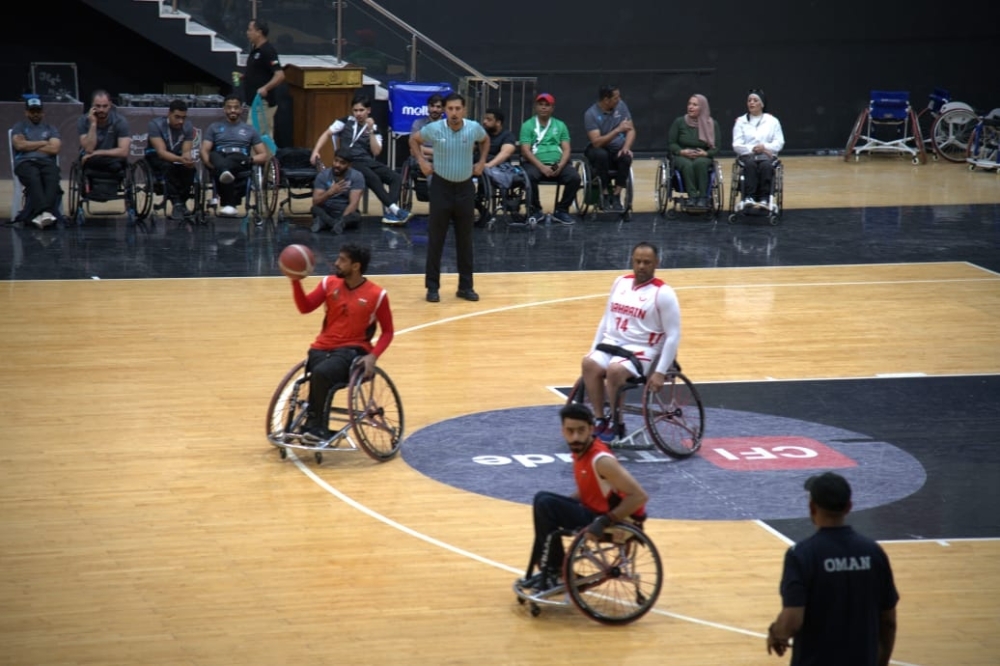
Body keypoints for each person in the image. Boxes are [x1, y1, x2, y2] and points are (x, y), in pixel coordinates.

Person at [767, 472, 899, 666]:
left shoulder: (802, 555)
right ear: (849, 507)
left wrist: (776, 633)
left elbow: (792, 620)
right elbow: (888, 621)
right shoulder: (873, 553)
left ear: (812, 507)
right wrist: (883, 660)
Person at [518, 402, 649, 592]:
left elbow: (639, 496)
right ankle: (554, 569)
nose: (576, 437)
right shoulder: (581, 452)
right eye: (570, 431)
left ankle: (557, 571)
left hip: (617, 522)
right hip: (595, 513)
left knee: (545, 503)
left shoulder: (601, 460)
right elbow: (590, 489)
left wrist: (605, 520)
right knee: (544, 501)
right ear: (563, 431)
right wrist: (564, 505)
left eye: (581, 431)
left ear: (591, 429)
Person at [286, 243, 394, 443]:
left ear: (356, 266)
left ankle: (316, 427)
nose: (336, 263)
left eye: (342, 260)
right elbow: (305, 307)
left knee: (322, 374)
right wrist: (295, 282)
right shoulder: (329, 283)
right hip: (321, 348)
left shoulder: (377, 295)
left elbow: (388, 332)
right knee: (318, 372)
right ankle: (312, 426)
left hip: (352, 351)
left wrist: (373, 356)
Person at [582, 241, 681, 441]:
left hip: (643, 350)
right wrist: (593, 350)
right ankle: (600, 418)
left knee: (615, 370)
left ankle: (617, 422)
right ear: (632, 261)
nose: (641, 266)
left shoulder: (663, 293)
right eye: (637, 261)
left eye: (647, 262)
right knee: (589, 363)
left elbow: (673, 335)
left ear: (656, 263)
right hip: (613, 344)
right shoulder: (620, 282)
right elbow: (605, 319)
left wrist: (660, 372)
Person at [409, 92, 489, 304]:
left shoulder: (473, 128)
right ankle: (432, 287)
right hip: (441, 188)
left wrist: (481, 162)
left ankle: (466, 287)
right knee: (436, 239)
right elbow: (414, 140)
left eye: (457, 109)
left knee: (465, 240)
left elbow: (485, 139)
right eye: (450, 109)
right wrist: (422, 162)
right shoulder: (434, 129)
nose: (454, 113)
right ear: (445, 111)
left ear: (464, 110)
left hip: (464, 188)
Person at [310, 93, 410, 226]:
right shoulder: (345, 121)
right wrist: (316, 151)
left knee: (395, 177)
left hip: (368, 161)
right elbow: (327, 133)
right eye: (355, 110)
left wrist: (371, 131)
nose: (358, 113)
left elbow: (376, 151)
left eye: (361, 110)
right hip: (350, 162)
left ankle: (390, 212)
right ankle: (395, 210)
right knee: (372, 177)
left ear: (368, 110)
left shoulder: (374, 128)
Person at [200, 94, 269, 216]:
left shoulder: (250, 130)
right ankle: (225, 175)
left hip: (240, 159)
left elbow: (263, 154)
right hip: (219, 158)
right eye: (229, 107)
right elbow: (205, 150)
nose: (233, 110)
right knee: (214, 155)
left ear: (241, 109)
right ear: (224, 109)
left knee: (231, 160)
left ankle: (229, 203)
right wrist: (209, 165)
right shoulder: (214, 127)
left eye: (236, 107)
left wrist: (250, 160)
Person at [519, 93, 580, 226]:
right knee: (529, 176)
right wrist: (542, 167)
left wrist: (559, 166)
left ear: (552, 108)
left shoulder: (560, 125)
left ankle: (561, 211)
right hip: (535, 164)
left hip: (557, 164)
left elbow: (567, 149)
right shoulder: (528, 125)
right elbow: (525, 150)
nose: (544, 108)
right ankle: (536, 210)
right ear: (535, 107)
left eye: (547, 105)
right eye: (541, 104)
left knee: (574, 177)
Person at [10, 97, 62, 228]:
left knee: (53, 176)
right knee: (33, 176)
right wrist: (44, 143)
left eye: (38, 111)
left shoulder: (51, 128)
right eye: (32, 111)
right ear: (26, 113)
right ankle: (46, 212)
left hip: (46, 162)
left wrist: (29, 144)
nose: (35, 114)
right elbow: (19, 145)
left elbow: (55, 148)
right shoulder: (19, 127)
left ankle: (42, 215)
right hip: (25, 162)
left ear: (43, 113)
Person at [584, 85, 635, 211]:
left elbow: (631, 129)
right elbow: (596, 142)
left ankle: (616, 195)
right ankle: (605, 194)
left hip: (616, 149)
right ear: (606, 100)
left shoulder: (621, 106)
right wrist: (617, 130)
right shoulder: (591, 114)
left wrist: (626, 147)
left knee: (626, 157)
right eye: (616, 98)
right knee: (601, 155)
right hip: (599, 149)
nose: (619, 99)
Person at [733, 89, 785, 211]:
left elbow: (779, 142)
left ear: (762, 104)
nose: (751, 103)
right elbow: (736, 144)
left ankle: (765, 198)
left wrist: (764, 147)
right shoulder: (741, 121)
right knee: (750, 165)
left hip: (766, 155)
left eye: (755, 100)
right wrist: (752, 149)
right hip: (748, 155)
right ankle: (749, 197)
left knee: (766, 166)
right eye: (749, 100)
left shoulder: (772, 121)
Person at [145, 99, 197, 221]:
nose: (180, 121)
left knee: (190, 169)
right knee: (168, 167)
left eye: (183, 118)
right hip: (156, 156)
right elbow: (161, 152)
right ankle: (176, 202)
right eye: (177, 117)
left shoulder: (188, 127)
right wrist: (180, 159)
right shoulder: (155, 125)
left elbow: (186, 150)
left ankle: (181, 202)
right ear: (169, 113)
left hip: (176, 155)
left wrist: (187, 160)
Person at [667, 93, 722, 208]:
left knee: (700, 163)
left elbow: (716, 147)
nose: (690, 107)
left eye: (695, 105)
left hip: (703, 155)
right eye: (689, 104)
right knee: (687, 165)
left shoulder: (712, 124)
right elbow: (671, 143)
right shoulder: (679, 122)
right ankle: (692, 196)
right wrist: (681, 152)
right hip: (682, 155)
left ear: (702, 108)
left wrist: (706, 153)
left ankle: (703, 197)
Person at [77, 90, 131, 201]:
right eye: (98, 106)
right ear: (92, 105)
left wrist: (97, 153)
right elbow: (89, 148)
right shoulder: (83, 121)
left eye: (105, 106)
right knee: (86, 162)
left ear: (110, 105)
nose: (101, 110)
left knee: (119, 163)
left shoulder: (120, 121)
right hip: (92, 161)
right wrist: (93, 124)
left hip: (112, 161)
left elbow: (124, 151)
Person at [475, 107, 519, 224]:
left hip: (496, 166)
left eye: (489, 119)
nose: (484, 122)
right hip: (478, 166)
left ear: (498, 122)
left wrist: (489, 165)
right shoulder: (481, 134)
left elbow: (506, 153)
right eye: (484, 119)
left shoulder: (507, 135)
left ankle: (512, 208)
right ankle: (482, 209)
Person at [242, 19, 284, 133]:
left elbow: (279, 75)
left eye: (250, 30)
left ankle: (264, 152)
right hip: (254, 102)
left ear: (259, 32)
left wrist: (265, 88)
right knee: (259, 137)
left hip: (262, 103)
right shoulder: (256, 50)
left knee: (257, 136)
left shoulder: (268, 50)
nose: (247, 32)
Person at [310, 147, 365, 234]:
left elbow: (353, 204)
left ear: (349, 165)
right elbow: (316, 202)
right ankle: (337, 225)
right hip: (327, 210)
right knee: (315, 209)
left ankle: (325, 223)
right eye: (336, 160)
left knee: (356, 216)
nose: (337, 165)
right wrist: (330, 192)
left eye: (342, 163)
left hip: (344, 211)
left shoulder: (357, 176)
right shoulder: (323, 175)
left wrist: (342, 219)